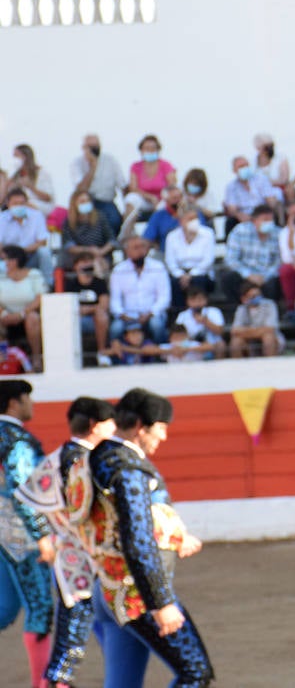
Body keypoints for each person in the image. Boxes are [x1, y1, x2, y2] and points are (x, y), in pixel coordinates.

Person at [86, 388, 213, 687]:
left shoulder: (96, 456)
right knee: (195, 672)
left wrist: (175, 535)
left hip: (105, 585)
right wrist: (161, 602)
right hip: (137, 595)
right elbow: (137, 539)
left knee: (122, 683)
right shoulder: (128, 468)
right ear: (142, 426)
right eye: (161, 428)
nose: (164, 437)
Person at [22, 397, 117, 688]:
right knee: (79, 618)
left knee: (77, 618)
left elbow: (29, 502)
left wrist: (48, 538)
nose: (114, 428)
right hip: (88, 553)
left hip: (67, 553)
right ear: (95, 426)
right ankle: (57, 680)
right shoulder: (90, 461)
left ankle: (57, 678)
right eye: (110, 422)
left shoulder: (55, 457)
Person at [0, 379, 56, 688]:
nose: (30, 405)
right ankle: (43, 684)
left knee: (4, 608)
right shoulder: (17, 439)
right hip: (17, 531)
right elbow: (23, 491)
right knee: (40, 607)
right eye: (26, 399)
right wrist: (42, 535)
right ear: (13, 403)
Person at [109, 236, 171, 345]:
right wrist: (122, 315)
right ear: (127, 251)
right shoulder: (118, 270)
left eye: (142, 246)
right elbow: (115, 300)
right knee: (116, 328)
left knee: (157, 325)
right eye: (136, 248)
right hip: (127, 315)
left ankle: (160, 356)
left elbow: (164, 297)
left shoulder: (158, 267)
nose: (140, 251)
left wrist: (150, 313)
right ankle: (114, 359)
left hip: (152, 313)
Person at [221, 204, 282, 302]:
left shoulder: (278, 233)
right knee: (228, 277)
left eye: (271, 220)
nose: (269, 223)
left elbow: (279, 261)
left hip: (267, 277)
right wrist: (248, 275)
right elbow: (231, 259)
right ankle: (237, 310)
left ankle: (270, 310)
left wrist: (265, 277)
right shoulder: (239, 231)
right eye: (265, 220)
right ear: (254, 221)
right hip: (245, 275)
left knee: (277, 281)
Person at [70, 133, 128, 232]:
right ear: (83, 147)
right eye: (90, 147)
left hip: (107, 202)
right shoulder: (77, 163)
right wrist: (93, 166)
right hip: (87, 202)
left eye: (95, 146)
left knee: (115, 221)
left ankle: (111, 245)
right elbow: (81, 189)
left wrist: (126, 208)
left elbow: (122, 185)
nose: (93, 149)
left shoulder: (111, 160)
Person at [163, 205, 216, 312]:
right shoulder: (172, 237)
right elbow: (170, 261)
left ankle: (200, 313)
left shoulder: (208, 234)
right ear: (181, 221)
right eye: (190, 219)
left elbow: (208, 260)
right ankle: (179, 316)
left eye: (196, 218)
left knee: (197, 281)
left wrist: (191, 275)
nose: (194, 221)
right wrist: (181, 275)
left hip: (201, 273)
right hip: (180, 273)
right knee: (174, 283)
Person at [0, 246, 46, 369]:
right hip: (5, 316)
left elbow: (40, 298)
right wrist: (4, 314)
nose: (4, 262)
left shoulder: (34, 274)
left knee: (33, 318)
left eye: (6, 259)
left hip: (28, 314)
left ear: (16, 260)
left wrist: (22, 314)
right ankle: (3, 361)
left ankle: (37, 358)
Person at [0, 189, 54, 280]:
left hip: (30, 256)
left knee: (44, 252)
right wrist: (10, 258)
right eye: (15, 203)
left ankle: (48, 286)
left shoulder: (37, 216)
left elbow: (42, 242)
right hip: (8, 259)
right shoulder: (2, 219)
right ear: (8, 204)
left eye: (22, 203)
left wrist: (21, 251)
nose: (19, 206)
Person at [61, 189, 117, 275]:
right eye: (82, 201)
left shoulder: (100, 217)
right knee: (87, 265)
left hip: (101, 254)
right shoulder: (69, 222)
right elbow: (69, 246)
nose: (86, 203)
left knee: (98, 263)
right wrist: (89, 250)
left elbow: (112, 240)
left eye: (87, 201)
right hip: (80, 256)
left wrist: (101, 252)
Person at [67, 252, 112, 357]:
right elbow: (68, 308)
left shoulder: (99, 283)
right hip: (76, 319)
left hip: (95, 320)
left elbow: (103, 306)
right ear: (76, 266)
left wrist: (85, 309)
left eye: (89, 262)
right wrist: (93, 308)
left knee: (101, 316)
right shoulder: (70, 284)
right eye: (83, 262)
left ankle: (102, 352)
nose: (87, 265)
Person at [223, 155, 282, 235]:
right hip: (243, 215)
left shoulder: (261, 179)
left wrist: (262, 215)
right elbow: (232, 208)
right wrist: (240, 215)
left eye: (246, 165)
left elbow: (270, 200)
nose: (245, 168)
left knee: (275, 215)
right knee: (230, 222)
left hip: (262, 212)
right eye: (241, 166)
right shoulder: (231, 187)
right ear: (234, 170)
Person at [125, 134, 177, 221]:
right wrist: (150, 197)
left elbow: (172, 186)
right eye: (147, 148)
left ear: (158, 150)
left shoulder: (166, 165)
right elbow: (133, 188)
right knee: (131, 198)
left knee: (162, 207)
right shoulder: (136, 166)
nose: (150, 151)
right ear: (141, 150)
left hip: (162, 199)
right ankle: (128, 232)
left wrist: (161, 198)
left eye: (153, 148)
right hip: (144, 199)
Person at [141, 187, 207, 251]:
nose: (179, 200)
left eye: (180, 197)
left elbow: (204, 232)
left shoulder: (194, 213)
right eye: (175, 198)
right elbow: (147, 237)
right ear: (166, 200)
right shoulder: (158, 216)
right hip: (166, 253)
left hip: (195, 251)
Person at [229, 280, 282, 358]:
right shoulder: (241, 309)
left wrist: (246, 331)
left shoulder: (269, 305)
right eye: (253, 296)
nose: (257, 298)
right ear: (244, 298)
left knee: (268, 338)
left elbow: (270, 329)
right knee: (236, 342)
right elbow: (234, 331)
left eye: (258, 295)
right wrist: (259, 332)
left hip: (271, 339)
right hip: (250, 342)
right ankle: (238, 369)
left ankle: (272, 366)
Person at [9, 144, 59, 224]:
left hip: (39, 206)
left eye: (16, 156)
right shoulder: (16, 175)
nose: (14, 159)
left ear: (25, 156)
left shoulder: (42, 173)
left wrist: (31, 187)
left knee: (23, 206)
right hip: (19, 206)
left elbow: (48, 198)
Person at [173, 286, 227, 360]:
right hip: (189, 346)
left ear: (205, 300)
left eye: (200, 299)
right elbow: (177, 333)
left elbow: (220, 332)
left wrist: (206, 321)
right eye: (193, 300)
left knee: (221, 345)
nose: (197, 303)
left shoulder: (214, 311)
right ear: (188, 301)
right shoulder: (182, 315)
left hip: (212, 345)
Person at [252, 133, 292, 203]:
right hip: (258, 194)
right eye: (266, 147)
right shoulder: (252, 162)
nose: (270, 148)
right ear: (258, 148)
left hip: (277, 191)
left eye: (271, 145)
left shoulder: (281, 159)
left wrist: (265, 184)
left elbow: (284, 180)